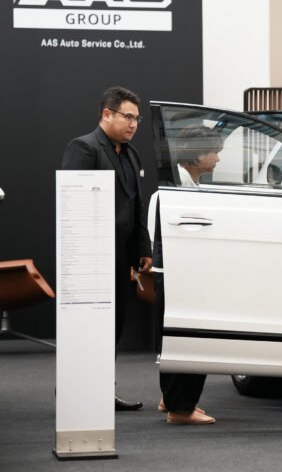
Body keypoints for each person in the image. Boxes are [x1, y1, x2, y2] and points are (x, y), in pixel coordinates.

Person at [61, 86, 152, 411]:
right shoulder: (84, 148)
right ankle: (75, 393)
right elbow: (73, 204)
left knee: (112, 326)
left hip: (121, 257)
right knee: (87, 328)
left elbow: (136, 204)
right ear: (107, 114)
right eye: (128, 116)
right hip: (91, 257)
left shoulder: (131, 154)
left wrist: (142, 248)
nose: (133, 124)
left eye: (137, 118)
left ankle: (101, 391)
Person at [154, 126, 224, 425]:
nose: (218, 158)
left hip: (181, 269)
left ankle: (171, 399)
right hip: (181, 271)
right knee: (189, 334)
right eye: (214, 152)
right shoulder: (176, 187)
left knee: (176, 335)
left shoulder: (186, 182)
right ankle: (180, 409)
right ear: (196, 153)